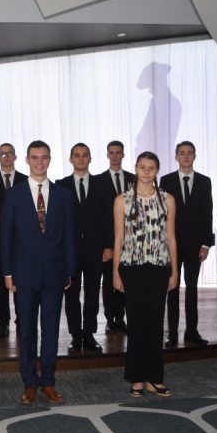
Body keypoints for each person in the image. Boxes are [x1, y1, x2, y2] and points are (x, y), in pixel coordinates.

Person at [2, 140, 75, 405]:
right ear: (27, 160)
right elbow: (7, 235)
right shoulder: (14, 195)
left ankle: (49, 382)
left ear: (50, 159)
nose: (39, 162)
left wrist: (69, 270)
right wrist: (7, 272)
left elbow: (69, 237)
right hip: (24, 274)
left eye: (44, 157)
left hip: (55, 275)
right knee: (28, 331)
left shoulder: (64, 195)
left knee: (52, 330)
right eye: (35, 157)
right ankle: (30, 382)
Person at [113, 151, 178, 398]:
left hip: (160, 267)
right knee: (137, 324)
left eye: (151, 168)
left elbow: (171, 237)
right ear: (136, 169)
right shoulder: (122, 200)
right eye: (142, 167)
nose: (147, 172)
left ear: (157, 170)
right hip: (132, 268)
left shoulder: (168, 200)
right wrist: (115, 274)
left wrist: (174, 271)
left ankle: (155, 378)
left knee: (155, 324)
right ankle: (136, 378)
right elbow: (118, 239)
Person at [55, 142, 111, 353]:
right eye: (76, 155)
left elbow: (108, 218)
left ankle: (89, 334)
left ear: (90, 158)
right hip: (69, 250)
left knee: (92, 294)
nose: (80, 159)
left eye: (84, 155)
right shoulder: (60, 185)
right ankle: (75, 335)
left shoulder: (102, 184)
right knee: (71, 295)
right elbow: (58, 221)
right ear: (70, 159)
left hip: (96, 250)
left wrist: (109, 246)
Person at [159, 141, 214, 348]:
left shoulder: (204, 181)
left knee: (192, 289)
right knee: (171, 289)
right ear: (176, 157)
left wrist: (207, 244)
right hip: (171, 245)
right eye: (181, 153)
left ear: (194, 156)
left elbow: (207, 212)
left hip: (195, 246)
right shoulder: (166, 180)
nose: (185, 156)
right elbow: (163, 214)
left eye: (189, 153)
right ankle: (172, 334)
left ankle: (192, 331)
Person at [0, 143, 27, 338]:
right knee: (0, 286)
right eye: (3, 154)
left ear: (15, 156)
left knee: (21, 283)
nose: (6, 157)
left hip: (21, 243)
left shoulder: (26, 181)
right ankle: (3, 323)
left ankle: (22, 320)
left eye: (10, 153)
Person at [97, 140, 134, 334]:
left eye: (118, 152)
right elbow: (100, 217)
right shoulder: (98, 180)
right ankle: (110, 318)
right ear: (107, 155)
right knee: (109, 281)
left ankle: (121, 318)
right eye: (111, 152)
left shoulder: (134, 178)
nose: (115, 155)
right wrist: (106, 244)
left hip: (130, 241)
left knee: (126, 280)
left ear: (123, 154)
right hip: (108, 242)